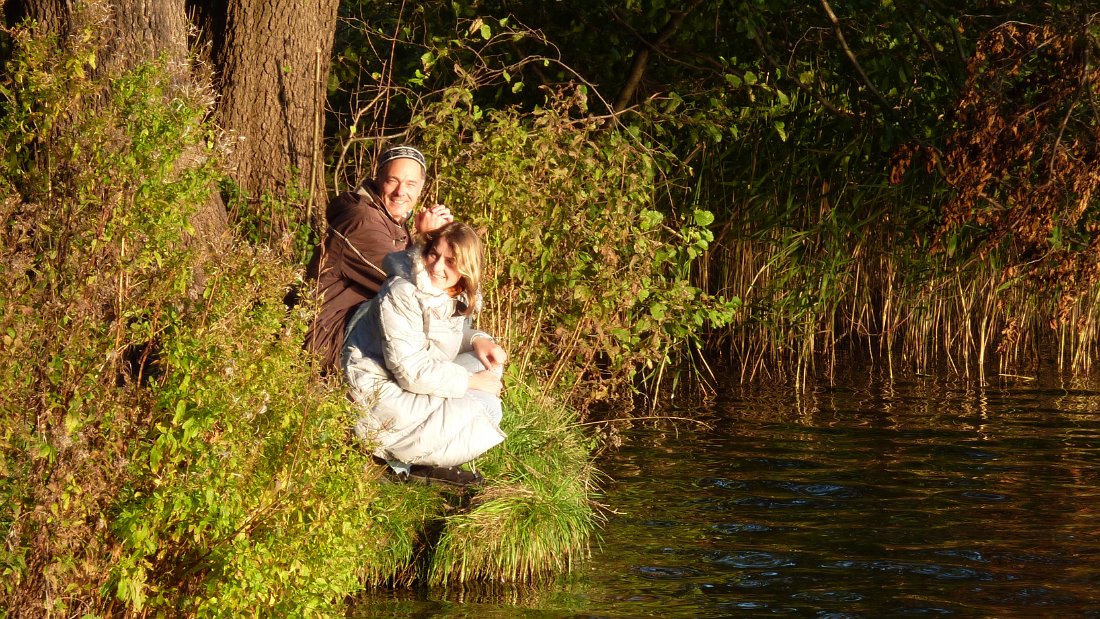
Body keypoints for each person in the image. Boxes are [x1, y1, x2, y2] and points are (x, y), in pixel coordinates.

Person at [343, 222, 508, 486]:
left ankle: (419, 458)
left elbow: (436, 338)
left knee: (486, 363)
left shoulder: (450, 293)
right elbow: (411, 371)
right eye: (434, 254)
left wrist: (477, 339)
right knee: (487, 406)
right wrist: (472, 382)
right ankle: (399, 459)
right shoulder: (401, 292)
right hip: (378, 395)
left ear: (467, 268)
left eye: (450, 261)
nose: (437, 266)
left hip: (407, 380)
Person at [303, 145, 452, 373]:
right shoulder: (362, 221)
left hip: (351, 330)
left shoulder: (392, 219)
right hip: (325, 340)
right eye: (393, 181)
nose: (401, 192)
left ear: (421, 188)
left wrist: (445, 240)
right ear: (379, 179)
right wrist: (428, 238)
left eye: (410, 184)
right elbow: (414, 287)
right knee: (414, 304)